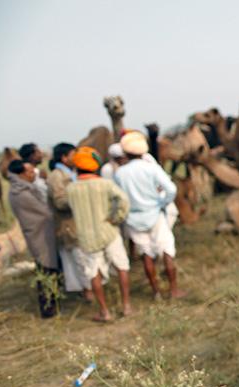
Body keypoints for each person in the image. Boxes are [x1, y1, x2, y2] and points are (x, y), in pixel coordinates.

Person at [114, 131, 185, 299]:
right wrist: (161, 202)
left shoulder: (120, 173)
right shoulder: (151, 168)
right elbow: (171, 189)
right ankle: (173, 290)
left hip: (133, 219)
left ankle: (156, 292)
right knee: (166, 250)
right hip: (155, 215)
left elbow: (119, 198)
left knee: (146, 254)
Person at [67, 147, 132, 322]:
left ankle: (105, 311)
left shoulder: (71, 189)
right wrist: (116, 218)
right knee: (121, 267)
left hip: (87, 238)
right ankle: (126, 306)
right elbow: (124, 201)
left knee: (94, 273)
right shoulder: (105, 184)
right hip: (109, 232)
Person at [7, 159, 60, 318]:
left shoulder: (23, 189)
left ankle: (52, 304)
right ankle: (49, 308)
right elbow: (43, 213)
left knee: (47, 269)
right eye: (29, 172)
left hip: (41, 233)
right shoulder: (21, 193)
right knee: (45, 270)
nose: (33, 174)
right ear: (20, 174)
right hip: (39, 234)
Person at [47, 143, 93, 299]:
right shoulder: (56, 176)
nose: (76, 158)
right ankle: (87, 292)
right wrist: (81, 199)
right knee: (79, 260)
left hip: (80, 222)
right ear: (64, 157)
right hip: (68, 225)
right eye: (73, 155)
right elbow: (60, 202)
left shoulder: (71, 173)